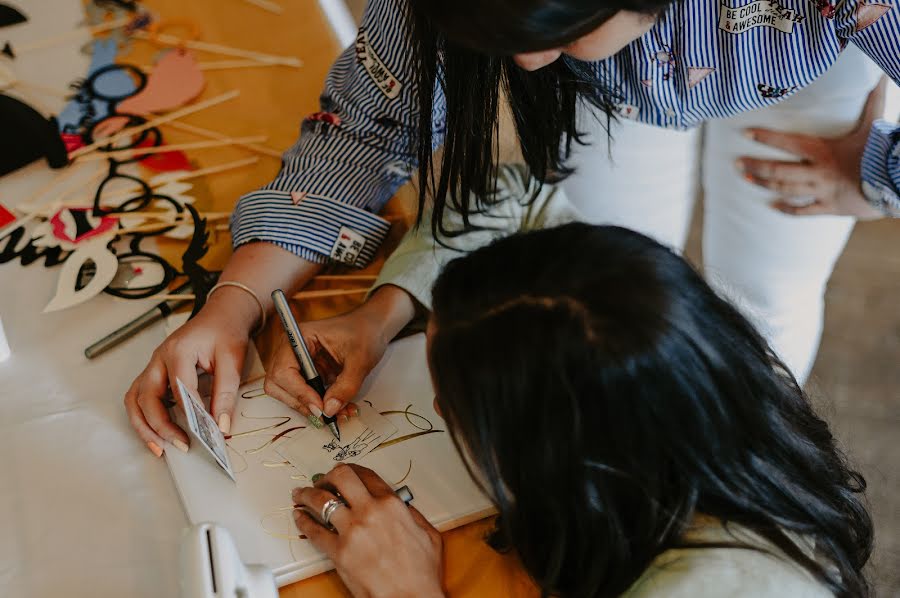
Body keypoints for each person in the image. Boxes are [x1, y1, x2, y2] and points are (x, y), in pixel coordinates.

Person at [124, 0, 900, 454]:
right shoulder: (544, 45)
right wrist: (233, 306)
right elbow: (366, 125)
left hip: (810, 67)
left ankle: (741, 459)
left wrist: (875, 176)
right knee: (603, 287)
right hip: (614, 89)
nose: (525, 67)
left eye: (559, 26)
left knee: (765, 294)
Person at [290, 222, 874, 598]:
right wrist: (379, 317)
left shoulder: (716, 586)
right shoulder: (698, 387)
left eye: (457, 403)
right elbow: (512, 187)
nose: (435, 405)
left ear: (554, 451)